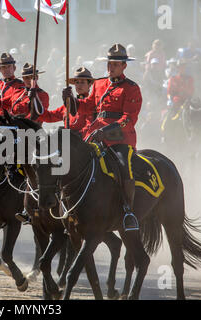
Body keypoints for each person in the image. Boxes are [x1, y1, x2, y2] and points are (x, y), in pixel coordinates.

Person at [63, 43, 142, 231]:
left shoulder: (131, 88)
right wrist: (70, 100)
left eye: (115, 64)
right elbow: (86, 107)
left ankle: (128, 211)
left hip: (120, 137)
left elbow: (128, 119)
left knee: (123, 165)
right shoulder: (99, 83)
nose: (110, 67)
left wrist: (106, 132)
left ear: (124, 66)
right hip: (94, 134)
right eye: (109, 63)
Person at [39, 67, 95, 135]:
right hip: (67, 141)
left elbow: (90, 126)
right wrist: (36, 104)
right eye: (77, 82)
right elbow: (50, 116)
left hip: (82, 142)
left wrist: (76, 136)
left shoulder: (91, 103)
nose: (79, 85)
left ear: (89, 85)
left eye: (82, 82)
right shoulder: (69, 104)